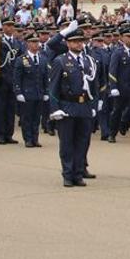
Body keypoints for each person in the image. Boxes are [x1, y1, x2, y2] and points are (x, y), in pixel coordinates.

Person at [48, 28, 96, 187]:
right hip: (67, 106)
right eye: (75, 41)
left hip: (84, 106)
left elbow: (93, 85)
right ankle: (68, 174)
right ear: (68, 43)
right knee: (67, 143)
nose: (79, 44)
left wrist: (94, 104)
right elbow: (53, 88)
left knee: (82, 142)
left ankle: (78, 173)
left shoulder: (88, 61)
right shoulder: (60, 61)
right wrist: (55, 109)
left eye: (81, 41)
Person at [13, 33, 49, 148]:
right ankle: (28, 139)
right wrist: (18, 92)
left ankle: (35, 138)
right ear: (27, 44)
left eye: (37, 42)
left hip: (38, 93)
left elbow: (45, 78)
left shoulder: (43, 59)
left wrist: (46, 92)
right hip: (27, 93)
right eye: (33, 42)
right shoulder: (22, 59)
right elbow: (17, 78)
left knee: (37, 118)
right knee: (27, 118)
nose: (35, 44)